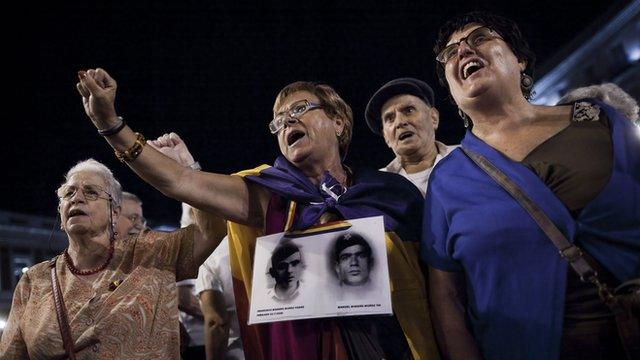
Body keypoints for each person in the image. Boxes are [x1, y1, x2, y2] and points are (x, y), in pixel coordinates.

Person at [75, 69, 439, 359]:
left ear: (339, 123)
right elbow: (180, 180)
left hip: (387, 348)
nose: (287, 122)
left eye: (300, 110)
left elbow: (435, 288)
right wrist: (111, 125)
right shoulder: (268, 196)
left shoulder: (391, 194)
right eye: (279, 120)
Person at [422, 11, 640, 360]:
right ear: (450, 90)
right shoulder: (447, 180)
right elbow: (446, 298)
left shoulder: (599, 121)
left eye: (479, 38)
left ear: (519, 59)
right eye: (450, 53)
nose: (463, 51)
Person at [0, 159, 223, 359]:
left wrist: (187, 169)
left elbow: (213, 228)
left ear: (114, 213)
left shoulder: (153, 253)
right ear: (61, 215)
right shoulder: (34, 282)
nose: (76, 198)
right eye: (68, 193)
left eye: (90, 192)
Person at [365, 78, 457, 196]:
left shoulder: (471, 159)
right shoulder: (376, 188)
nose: (399, 122)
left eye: (409, 110)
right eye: (390, 118)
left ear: (433, 117)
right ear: (385, 137)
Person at [196, 237, 245, 360]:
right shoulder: (276, 243)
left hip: (239, 351)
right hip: (283, 347)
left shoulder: (211, 256)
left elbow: (216, 321)